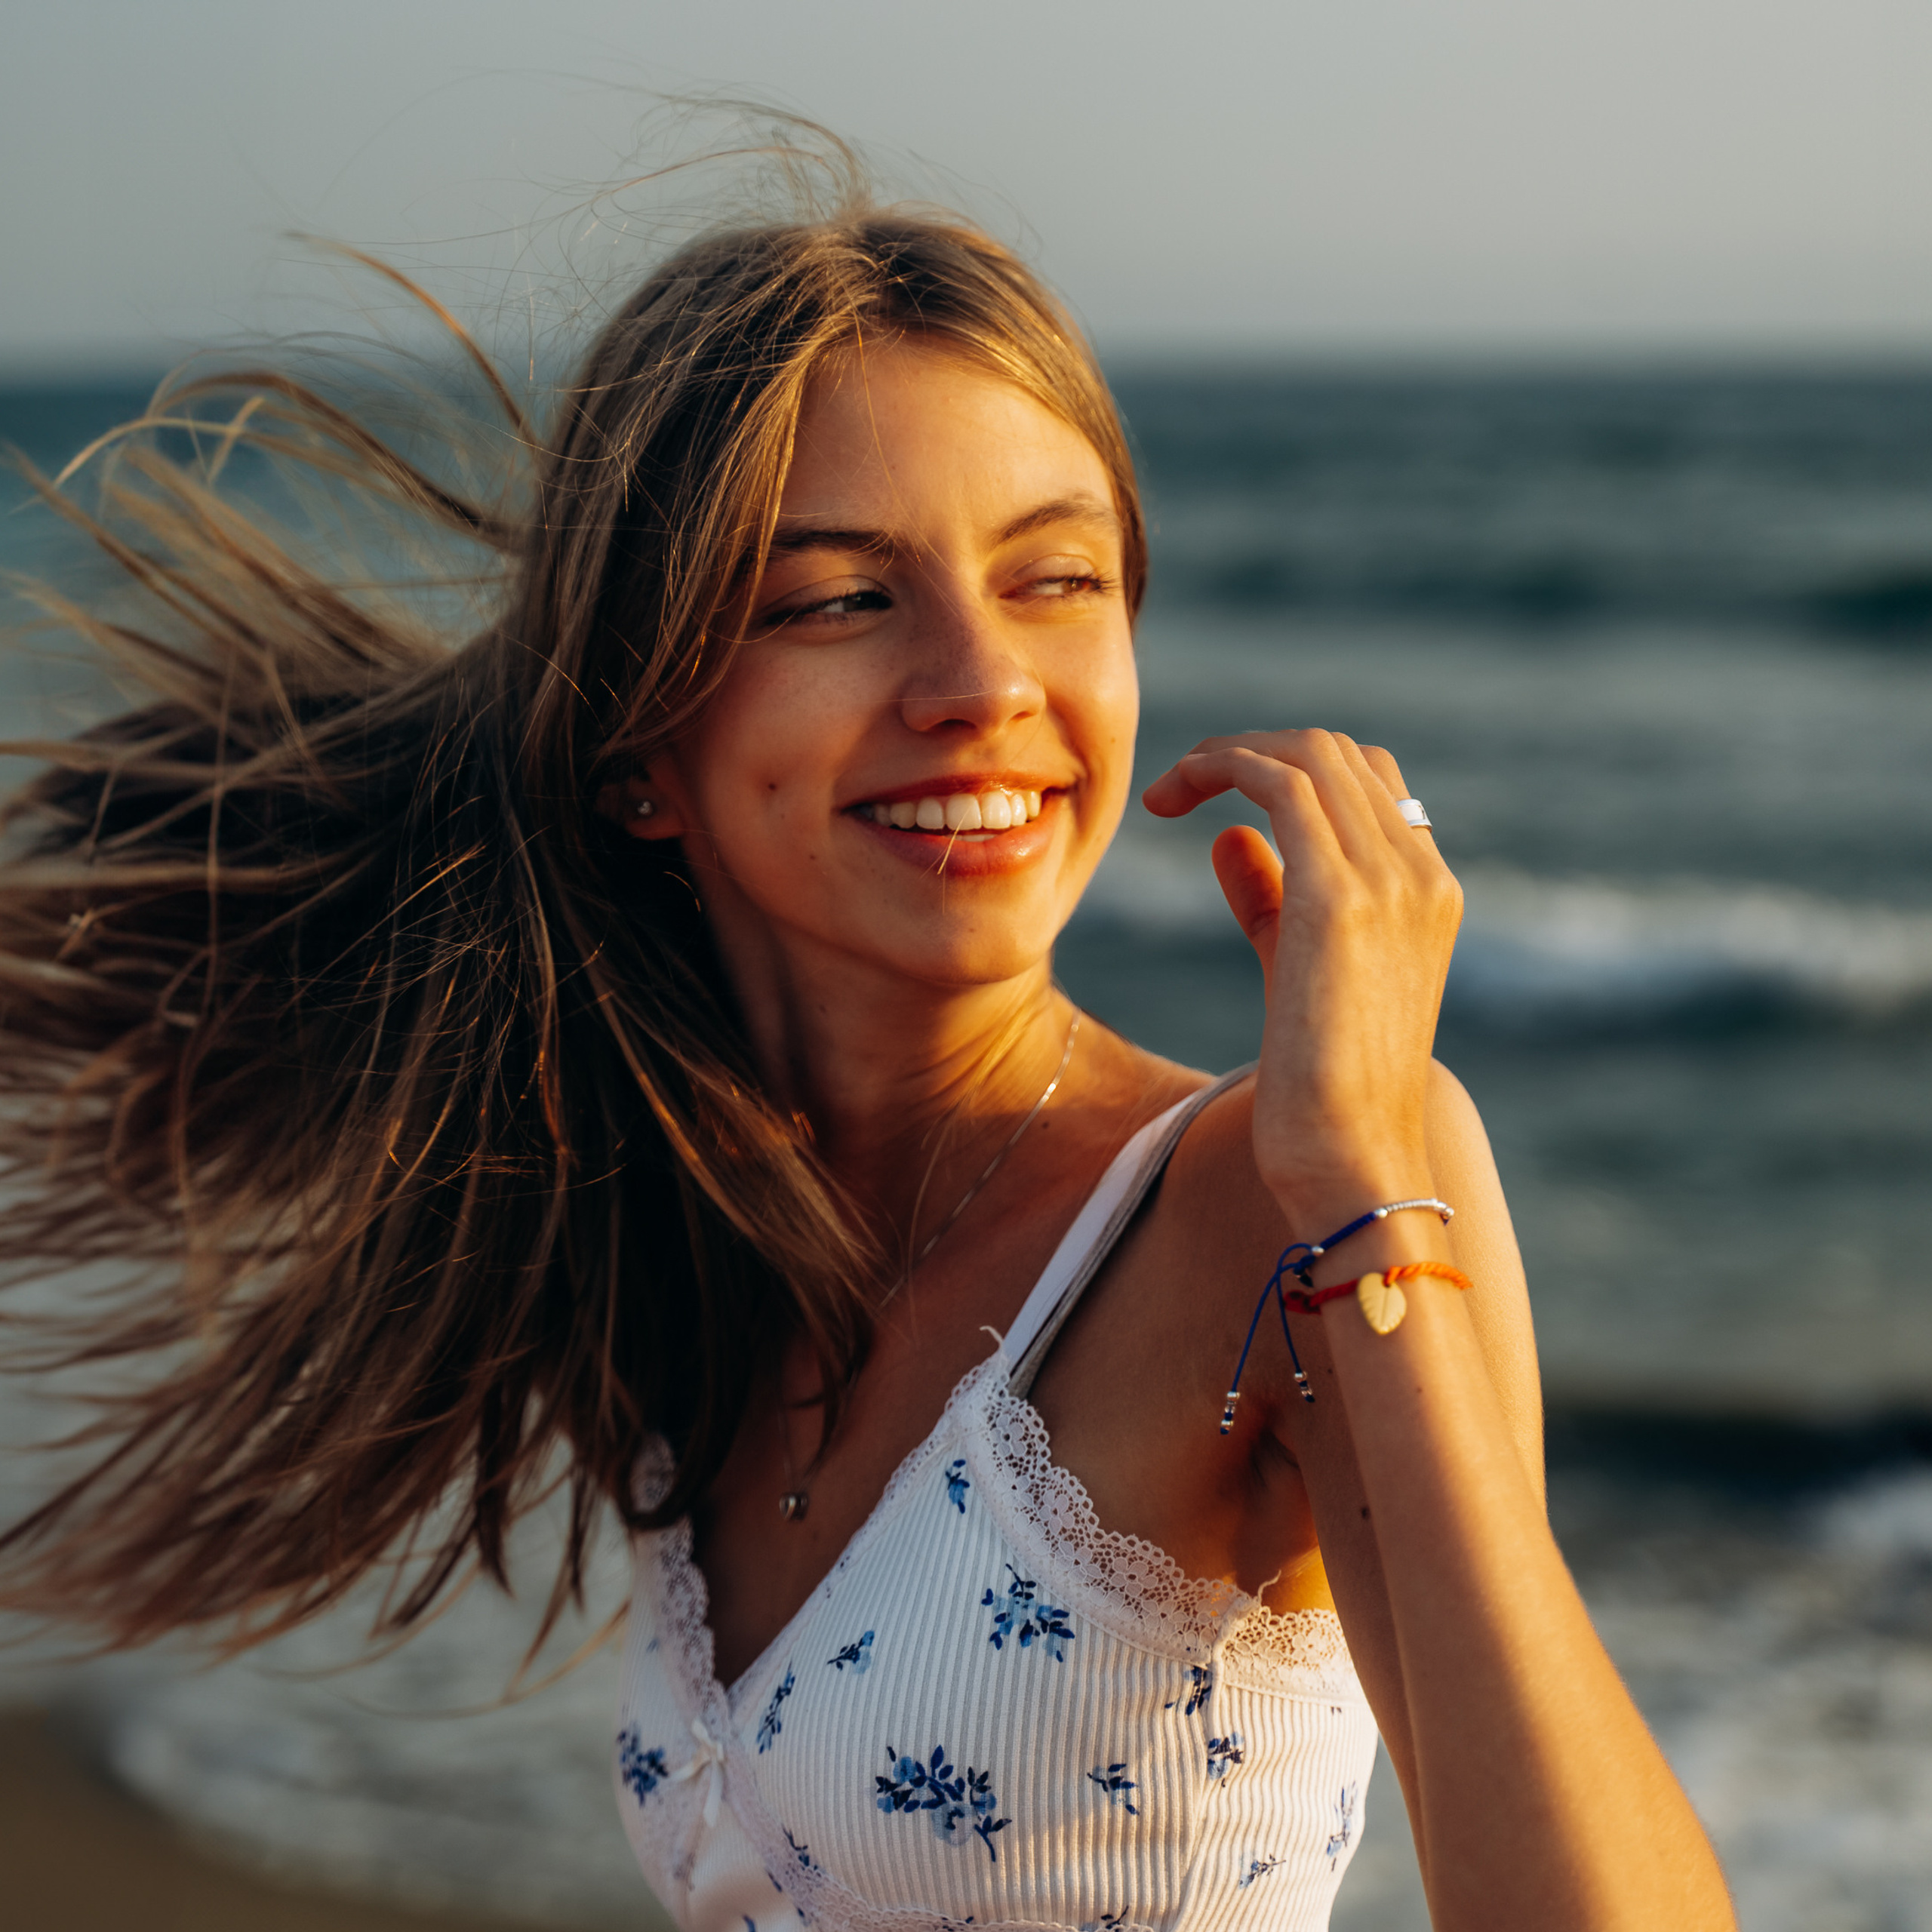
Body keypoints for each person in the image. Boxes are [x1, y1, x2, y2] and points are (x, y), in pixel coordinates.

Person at [0, 162, 1736, 1932]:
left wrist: (1364, 1175)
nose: (980, 680)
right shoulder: (705, 1236)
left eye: (1054, 575)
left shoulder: (1275, 1209)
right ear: (637, 754)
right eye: (838, 600)